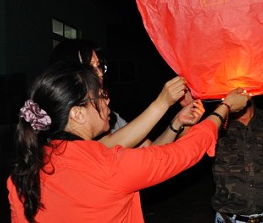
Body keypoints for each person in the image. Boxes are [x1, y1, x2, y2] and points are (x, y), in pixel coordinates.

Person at [7, 61, 249, 223]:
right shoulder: (107, 166)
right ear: (77, 113)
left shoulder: (24, 172)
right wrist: (224, 109)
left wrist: (176, 124)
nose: (107, 101)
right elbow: (182, 154)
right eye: (100, 96)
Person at [50, 38, 198, 148]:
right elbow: (103, 148)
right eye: (91, 68)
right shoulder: (62, 120)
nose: (100, 74)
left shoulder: (109, 116)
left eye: (99, 66)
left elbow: (151, 151)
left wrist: (179, 121)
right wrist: (162, 102)